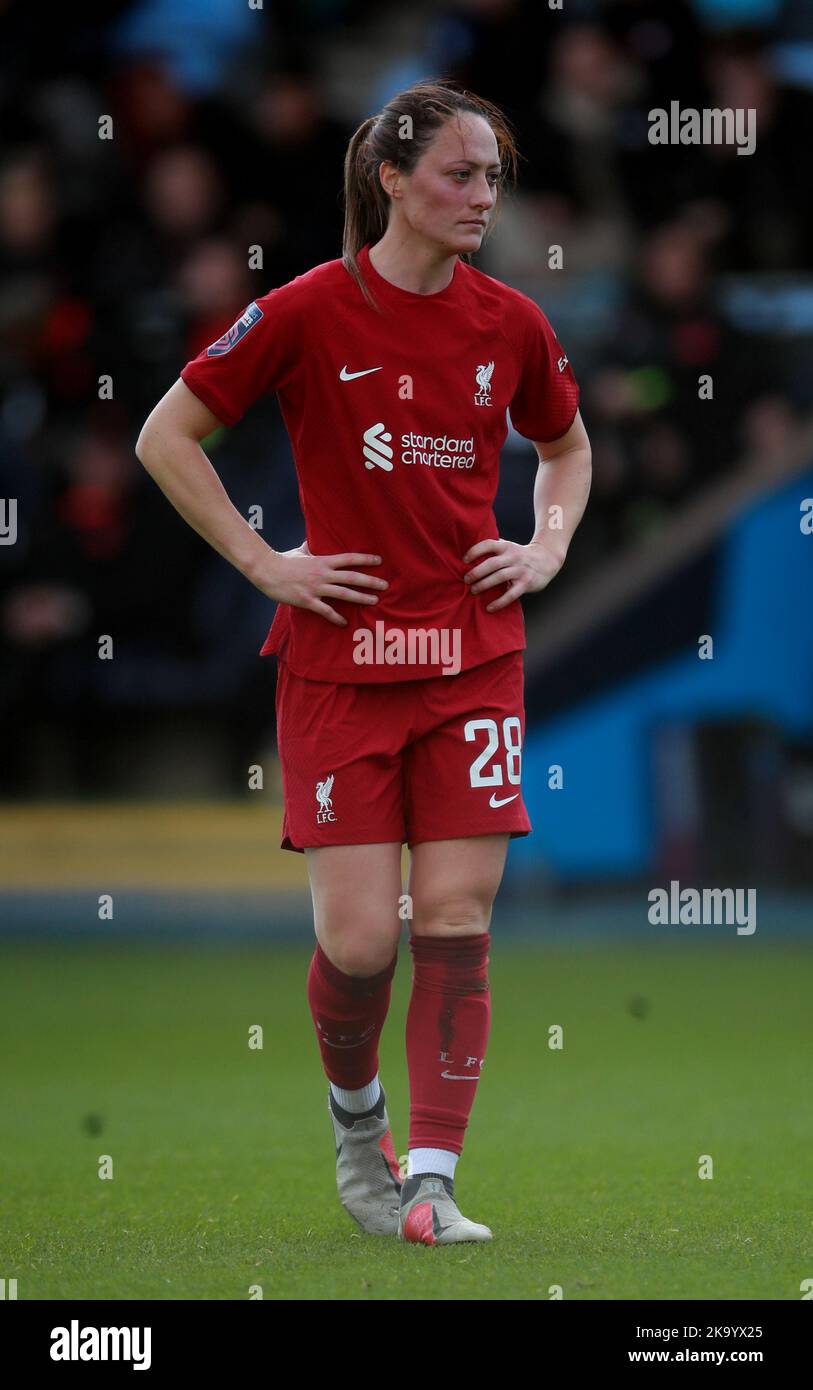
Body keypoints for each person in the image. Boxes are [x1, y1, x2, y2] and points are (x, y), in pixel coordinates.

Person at [136, 78, 592, 1245]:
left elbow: (566, 445)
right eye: (460, 172)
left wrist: (543, 545)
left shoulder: (513, 324)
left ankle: (432, 1180)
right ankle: (359, 1128)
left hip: (471, 655)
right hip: (341, 662)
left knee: (453, 912)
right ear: (393, 180)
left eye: (493, 175)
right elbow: (166, 434)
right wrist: (265, 563)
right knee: (358, 940)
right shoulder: (303, 311)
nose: (483, 195)